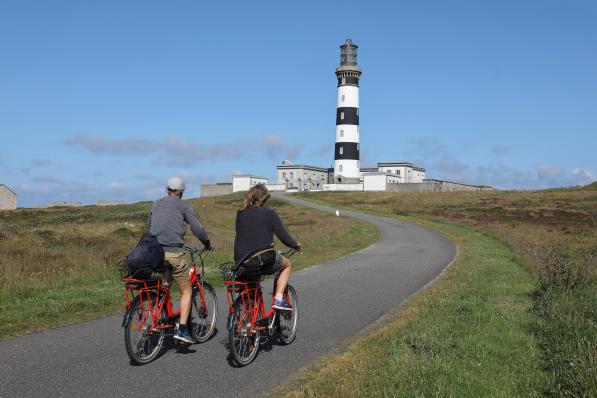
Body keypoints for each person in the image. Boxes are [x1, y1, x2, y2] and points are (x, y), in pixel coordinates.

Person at [148, 176, 212, 344]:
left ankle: (162, 312)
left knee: (165, 283)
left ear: (166, 189)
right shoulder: (184, 206)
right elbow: (198, 229)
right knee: (187, 291)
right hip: (174, 253)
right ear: (182, 191)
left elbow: (150, 227)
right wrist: (207, 243)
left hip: (154, 253)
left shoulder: (155, 204)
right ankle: (182, 330)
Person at [234, 184, 300, 311]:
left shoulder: (240, 213)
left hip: (242, 262)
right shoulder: (269, 213)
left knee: (251, 287)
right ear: (264, 199)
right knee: (287, 264)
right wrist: (295, 244)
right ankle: (279, 299)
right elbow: (284, 237)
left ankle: (248, 324)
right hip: (263, 259)